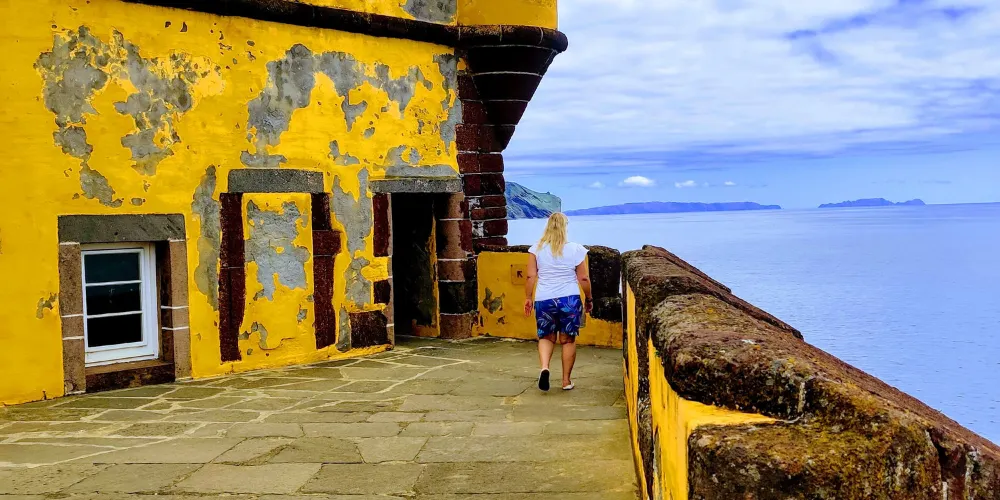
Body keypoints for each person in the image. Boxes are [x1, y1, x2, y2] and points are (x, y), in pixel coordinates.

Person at [523, 213, 593, 391]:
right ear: (565, 227)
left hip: (544, 299)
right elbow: (583, 278)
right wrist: (589, 298)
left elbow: (531, 276)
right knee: (567, 340)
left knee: (546, 336)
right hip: (569, 299)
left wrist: (528, 298)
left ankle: (545, 368)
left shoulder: (536, 249)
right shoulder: (576, 249)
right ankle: (566, 381)